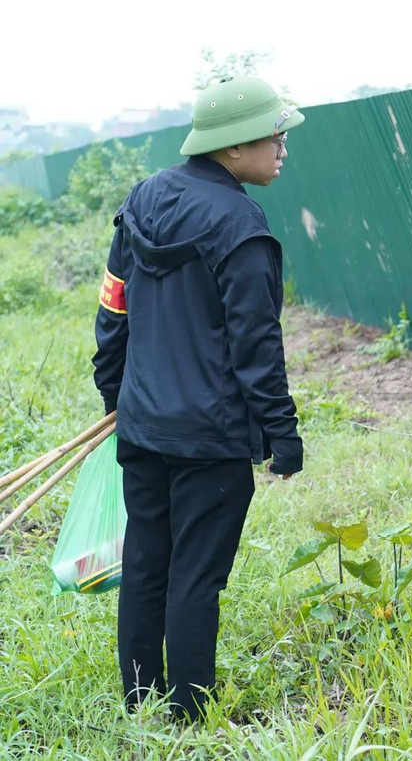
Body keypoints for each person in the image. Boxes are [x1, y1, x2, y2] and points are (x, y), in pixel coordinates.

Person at [91, 75, 305, 721]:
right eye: (275, 137)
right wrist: (283, 433)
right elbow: (256, 343)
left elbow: (113, 306)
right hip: (210, 438)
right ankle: (187, 716)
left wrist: (117, 395)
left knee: (146, 561)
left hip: (144, 425)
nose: (283, 149)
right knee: (196, 577)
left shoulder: (143, 198)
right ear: (234, 147)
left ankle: (140, 699)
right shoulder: (240, 223)